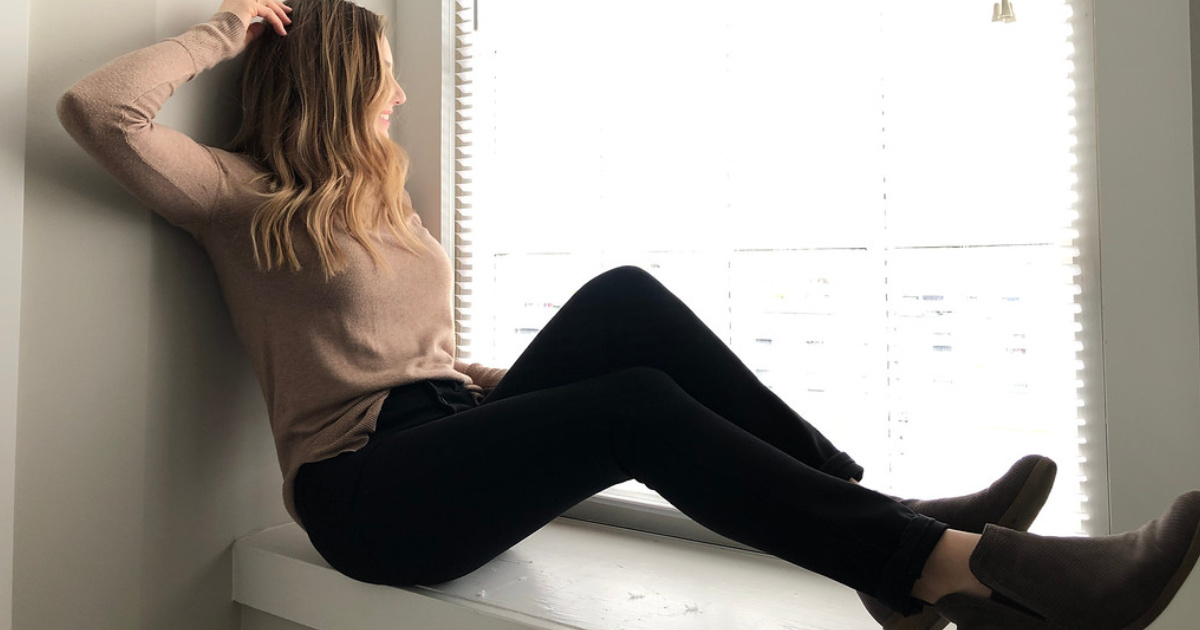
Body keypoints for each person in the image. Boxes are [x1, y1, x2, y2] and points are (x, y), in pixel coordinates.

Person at [56, 1, 1200, 628]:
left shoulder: (394, 212)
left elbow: (429, 367)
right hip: (365, 495)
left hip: (444, 436)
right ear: (342, 84)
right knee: (634, 404)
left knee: (622, 303)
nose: (402, 94)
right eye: (389, 75)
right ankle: (955, 564)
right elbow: (96, 110)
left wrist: (504, 394)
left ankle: (875, 515)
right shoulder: (241, 198)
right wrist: (231, 25)